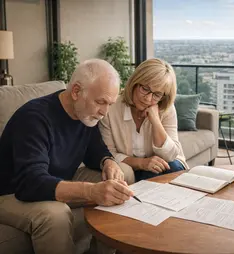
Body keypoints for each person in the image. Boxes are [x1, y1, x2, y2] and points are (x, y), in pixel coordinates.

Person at [0, 59, 134, 254]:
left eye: (109, 104)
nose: (104, 113)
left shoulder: (85, 114)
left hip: (56, 179)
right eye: (100, 102)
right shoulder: (33, 118)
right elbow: (31, 183)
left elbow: (95, 150)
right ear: (76, 91)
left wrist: (109, 162)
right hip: (12, 192)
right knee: (56, 214)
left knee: (124, 174)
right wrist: (91, 192)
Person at [99, 58, 187, 182]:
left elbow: (171, 155)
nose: (148, 98)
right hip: (135, 168)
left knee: (172, 167)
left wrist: (155, 120)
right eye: (145, 89)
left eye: (156, 94)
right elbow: (108, 153)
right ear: (135, 82)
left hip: (166, 166)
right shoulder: (111, 107)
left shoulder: (166, 109)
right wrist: (142, 163)